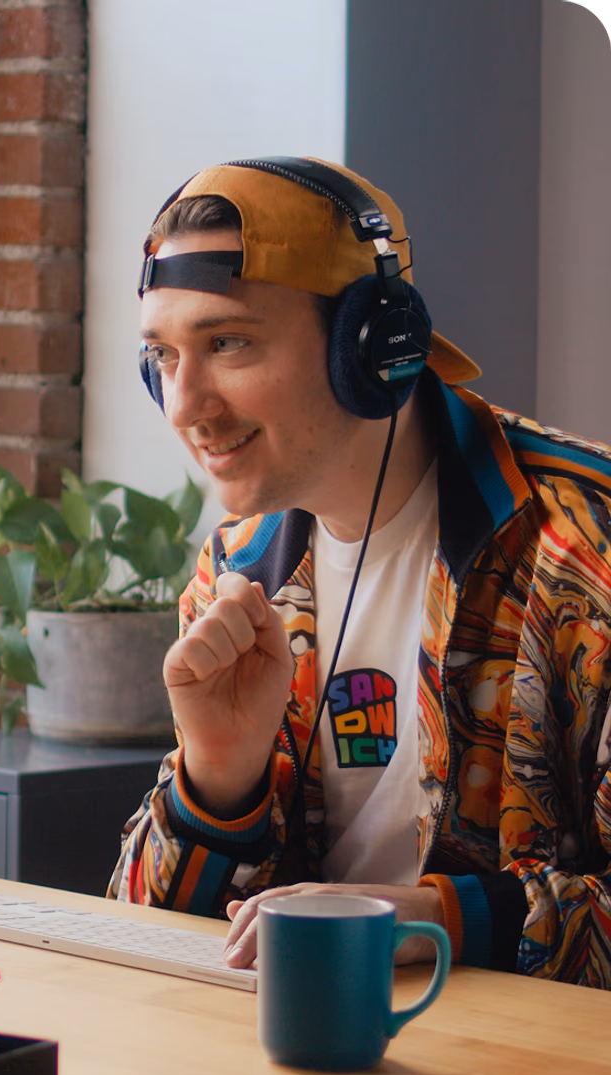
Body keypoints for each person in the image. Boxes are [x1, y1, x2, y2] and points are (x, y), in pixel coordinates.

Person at [108, 157, 611, 987]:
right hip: (303, 1065)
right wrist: (216, 775)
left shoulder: (586, 550)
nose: (182, 403)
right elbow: (142, 931)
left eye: (227, 342)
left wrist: (447, 919)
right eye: (161, 356)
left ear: (376, 346)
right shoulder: (240, 565)